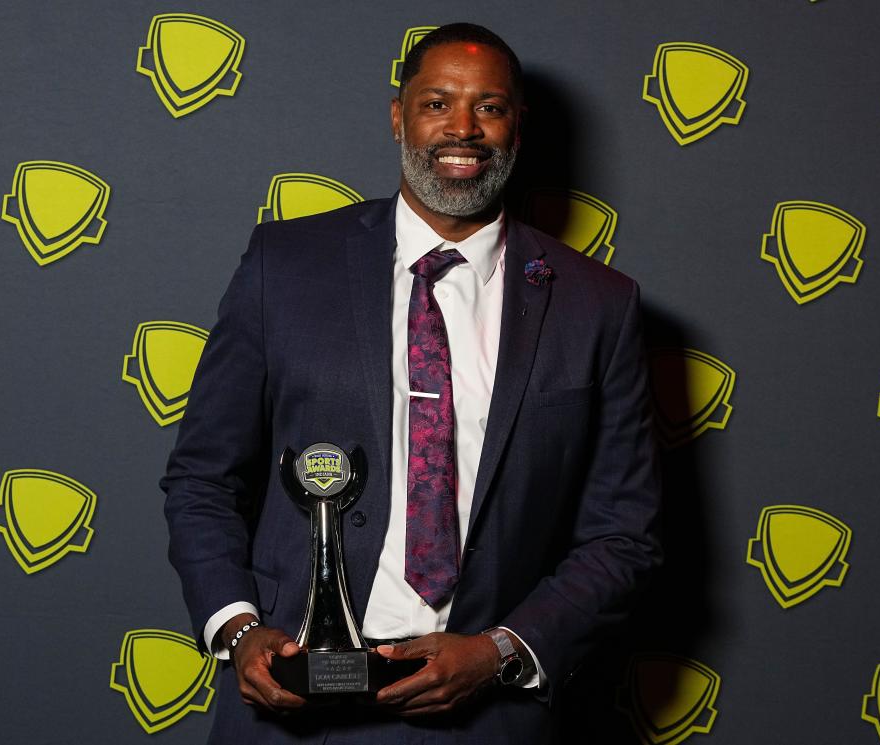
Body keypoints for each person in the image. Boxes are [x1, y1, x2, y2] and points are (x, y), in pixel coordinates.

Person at [162, 22, 661, 745]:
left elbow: (622, 534)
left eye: (488, 107)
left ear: (518, 126)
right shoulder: (286, 266)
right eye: (437, 103)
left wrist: (499, 652)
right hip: (290, 715)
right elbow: (203, 477)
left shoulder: (598, 305)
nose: (463, 128)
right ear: (399, 115)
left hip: (485, 719)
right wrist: (239, 630)